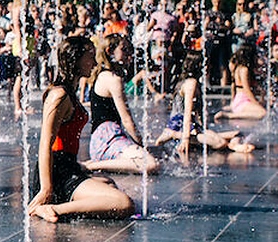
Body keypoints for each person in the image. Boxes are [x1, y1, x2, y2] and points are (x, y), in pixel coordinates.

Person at [27, 35, 134, 223]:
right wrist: (46, 189)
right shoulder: (59, 95)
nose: (95, 62)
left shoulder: (69, 92)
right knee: (123, 203)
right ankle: (52, 208)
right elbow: (45, 144)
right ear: (75, 59)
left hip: (68, 166)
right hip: (57, 172)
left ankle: (61, 204)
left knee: (108, 183)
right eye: (90, 56)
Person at [82, 34, 160, 174]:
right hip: (109, 139)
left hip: (100, 140)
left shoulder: (102, 75)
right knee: (150, 164)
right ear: (110, 51)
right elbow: (127, 119)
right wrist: (141, 144)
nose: (129, 54)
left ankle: (95, 163)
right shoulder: (113, 79)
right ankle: (92, 166)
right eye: (123, 49)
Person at [156, 53, 253, 156]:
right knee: (220, 143)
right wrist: (185, 139)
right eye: (207, 65)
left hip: (193, 127)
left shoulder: (195, 83)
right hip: (180, 125)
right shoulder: (191, 83)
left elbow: (197, 114)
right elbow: (187, 113)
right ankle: (173, 134)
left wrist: (204, 131)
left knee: (238, 134)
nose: (209, 68)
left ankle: (232, 145)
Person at [214, 46, 266, 121]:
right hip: (243, 101)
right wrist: (256, 103)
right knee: (263, 113)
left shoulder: (239, 68)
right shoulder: (244, 70)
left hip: (241, 100)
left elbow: (234, 85)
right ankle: (230, 116)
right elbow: (247, 90)